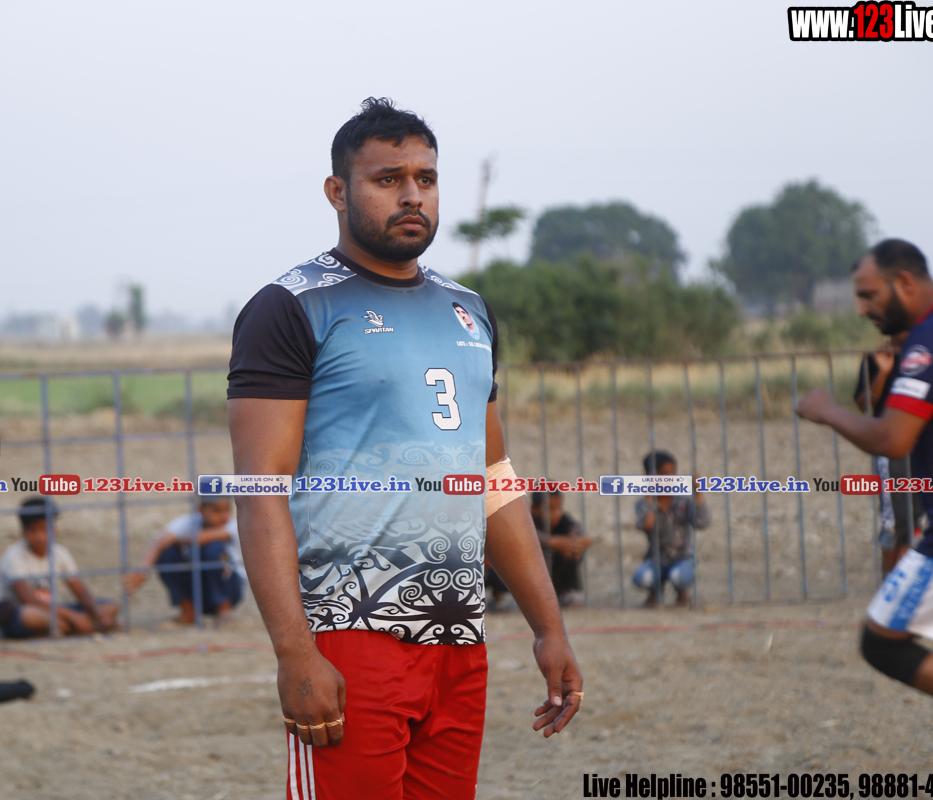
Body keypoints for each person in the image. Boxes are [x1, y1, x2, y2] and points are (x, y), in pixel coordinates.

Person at [227, 97, 583, 800]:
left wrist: (550, 628)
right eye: (388, 179)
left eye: (426, 177)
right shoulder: (292, 305)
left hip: (458, 635)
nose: (412, 194)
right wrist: (295, 651)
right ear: (337, 191)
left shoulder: (468, 308)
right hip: (347, 630)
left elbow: (493, 479)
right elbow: (259, 489)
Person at [797, 238, 933, 716]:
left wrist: (826, 411)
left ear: (905, 282)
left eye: (869, 295)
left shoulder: (932, 338)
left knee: (882, 642)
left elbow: (892, 438)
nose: (862, 309)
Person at [0, 496, 117, 638]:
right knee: (30, 615)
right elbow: (26, 599)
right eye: (33, 531)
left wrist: (97, 612)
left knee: (109, 607)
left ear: (54, 529)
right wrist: (72, 616)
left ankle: (61, 628)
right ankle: (83, 627)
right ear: (23, 532)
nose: (39, 537)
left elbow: (81, 592)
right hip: (20, 615)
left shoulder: (60, 553)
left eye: (44, 529)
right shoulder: (14, 556)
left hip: (53, 610)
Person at [854, 332, 925, 575]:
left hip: (923, 448)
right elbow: (864, 403)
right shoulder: (876, 358)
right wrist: (883, 372)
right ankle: (888, 587)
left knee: (914, 519)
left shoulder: (926, 357)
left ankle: (900, 584)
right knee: (894, 523)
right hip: (890, 450)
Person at [122, 497, 245, 623]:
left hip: (230, 586)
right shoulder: (189, 522)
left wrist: (180, 540)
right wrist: (143, 570)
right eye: (216, 511)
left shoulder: (233, 525)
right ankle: (189, 610)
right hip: (197, 586)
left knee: (213, 549)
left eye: (227, 510)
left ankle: (223, 609)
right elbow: (159, 542)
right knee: (167, 552)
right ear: (200, 510)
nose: (223, 516)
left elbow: (205, 537)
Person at [632, 450, 708, 608]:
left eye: (672, 473)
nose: (670, 478)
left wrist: (698, 493)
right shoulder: (643, 504)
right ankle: (655, 592)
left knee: (680, 576)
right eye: (664, 474)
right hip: (656, 559)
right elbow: (647, 525)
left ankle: (682, 593)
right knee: (642, 578)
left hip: (682, 557)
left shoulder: (683, 501)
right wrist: (650, 497)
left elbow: (702, 522)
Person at [531, 490, 592, 606]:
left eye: (559, 507)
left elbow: (586, 538)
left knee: (573, 550)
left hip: (557, 570)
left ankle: (567, 591)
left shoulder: (564, 520)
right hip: (535, 575)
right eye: (550, 508)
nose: (557, 513)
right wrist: (551, 542)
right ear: (534, 509)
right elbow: (529, 535)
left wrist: (573, 544)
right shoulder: (528, 521)